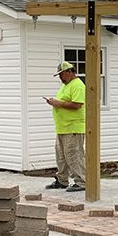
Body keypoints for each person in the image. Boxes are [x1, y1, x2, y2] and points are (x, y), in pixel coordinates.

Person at [45, 61, 86, 192]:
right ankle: (62, 181)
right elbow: (63, 102)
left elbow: (77, 104)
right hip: (62, 128)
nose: (60, 78)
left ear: (69, 72)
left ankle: (82, 182)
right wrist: (54, 102)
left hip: (73, 127)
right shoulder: (66, 86)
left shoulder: (77, 85)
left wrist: (58, 103)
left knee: (73, 155)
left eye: (61, 74)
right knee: (61, 156)